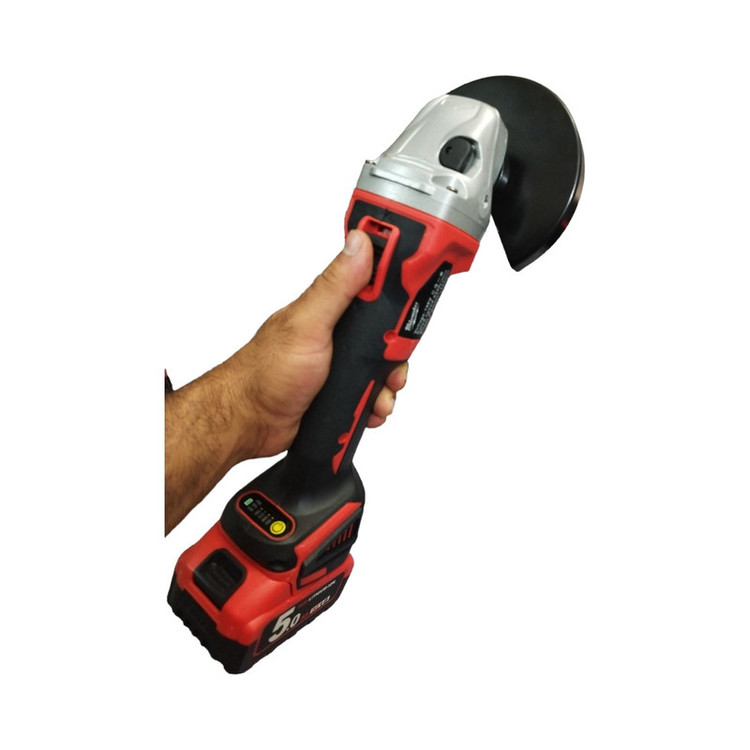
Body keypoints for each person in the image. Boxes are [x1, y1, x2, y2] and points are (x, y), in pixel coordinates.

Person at [165, 230, 408, 534]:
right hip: (314, 491)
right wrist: (247, 405)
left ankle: (314, 484)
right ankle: (315, 485)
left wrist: (249, 406)